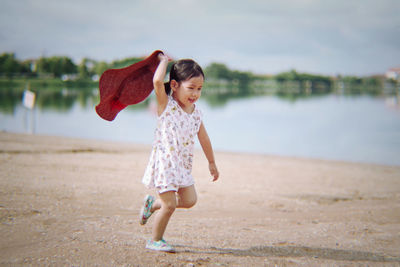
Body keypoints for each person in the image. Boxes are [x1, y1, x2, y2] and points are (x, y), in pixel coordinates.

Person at [139, 52, 219, 252]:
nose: (195, 94)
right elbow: (158, 82)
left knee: (189, 200)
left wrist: (211, 162)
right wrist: (164, 61)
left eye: (199, 89)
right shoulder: (167, 105)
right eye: (191, 88)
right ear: (174, 85)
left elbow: (204, 138)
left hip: (182, 165)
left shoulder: (196, 112)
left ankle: (152, 205)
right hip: (165, 164)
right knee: (170, 205)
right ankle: (155, 240)